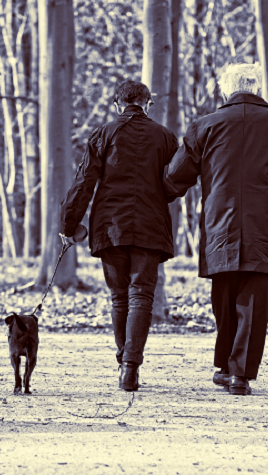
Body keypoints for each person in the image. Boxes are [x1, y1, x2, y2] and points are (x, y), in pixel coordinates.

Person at [163, 63, 268, 395]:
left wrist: (162, 192)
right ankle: (238, 373)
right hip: (265, 223)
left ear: (225, 90)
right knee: (256, 299)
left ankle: (227, 366)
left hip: (221, 223)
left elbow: (175, 176)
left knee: (225, 294)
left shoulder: (205, 126)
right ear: (257, 88)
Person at [60, 80, 179, 392]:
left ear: (117, 104)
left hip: (110, 225)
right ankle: (130, 368)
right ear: (148, 103)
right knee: (142, 294)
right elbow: (174, 183)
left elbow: (84, 182)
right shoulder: (165, 136)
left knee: (119, 296)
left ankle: (123, 362)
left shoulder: (103, 134)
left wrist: (69, 225)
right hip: (151, 225)